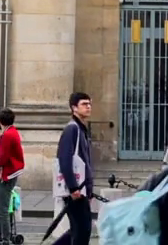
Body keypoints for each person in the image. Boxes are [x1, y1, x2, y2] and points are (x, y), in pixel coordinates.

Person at [52, 92, 96, 245]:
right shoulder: (72, 129)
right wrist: (73, 187)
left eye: (89, 104)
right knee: (82, 231)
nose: (88, 107)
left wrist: (89, 190)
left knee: (78, 230)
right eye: (84, 104)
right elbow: (64, 159)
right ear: (74, 108)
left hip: (81, 190)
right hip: (76, 191)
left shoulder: (81, 129)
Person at [0, 109, 25, 244]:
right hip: (0, 173)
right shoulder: (10, 132)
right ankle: (0, 234)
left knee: (1, 210)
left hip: (5, 175)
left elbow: (3, 159)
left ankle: (5, 239)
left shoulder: (7, 135)